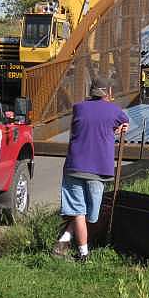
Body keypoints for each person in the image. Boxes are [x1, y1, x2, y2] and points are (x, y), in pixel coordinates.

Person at [52, 76, 129, 261]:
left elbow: (78, 128)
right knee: (89, 214)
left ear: (91, 92)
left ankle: (64, 241)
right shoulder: (115, 111)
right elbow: (124, 121)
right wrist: (117, 129)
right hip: (99, 170)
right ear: (109, 93)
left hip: (74, 166)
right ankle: (83, 254)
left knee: (81, 212)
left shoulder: (78, 108)